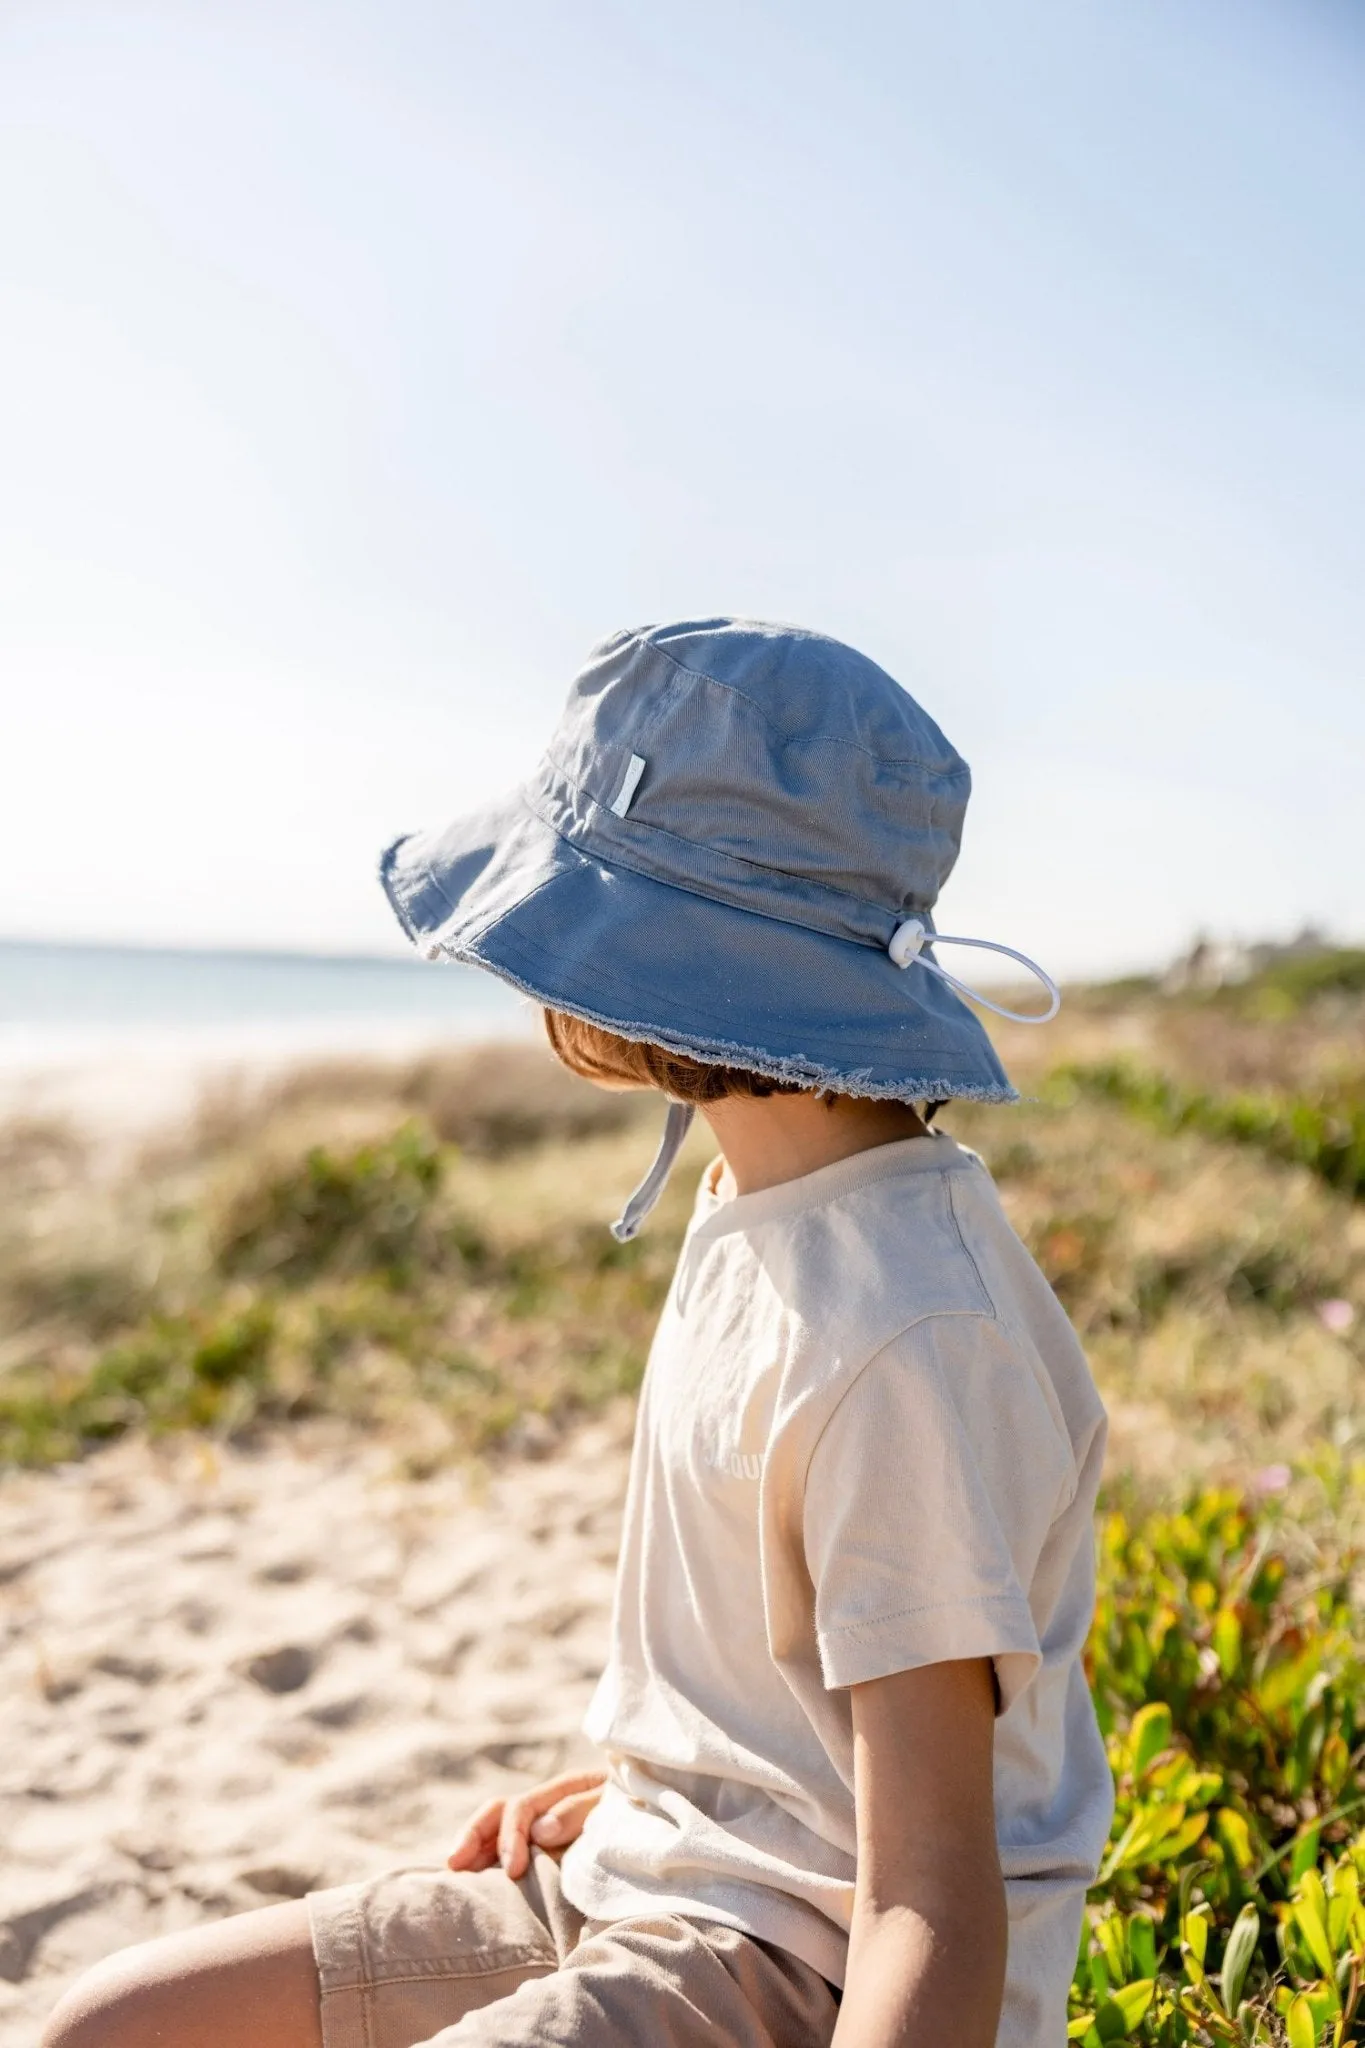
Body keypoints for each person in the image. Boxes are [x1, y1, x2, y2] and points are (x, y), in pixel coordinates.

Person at [44, 619, 1113, 2048]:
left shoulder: (906, 1336)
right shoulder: (763, 1183)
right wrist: (665, 1789)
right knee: (107, 2024)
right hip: (650, 1879)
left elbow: (930, 1898)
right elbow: (796, 1676)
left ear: (685, 967)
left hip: (789, 1963)